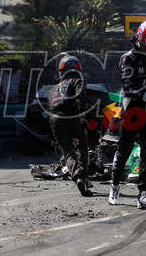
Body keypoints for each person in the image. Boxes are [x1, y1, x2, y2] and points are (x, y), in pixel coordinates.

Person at [109, 17, 146, 209]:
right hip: (131, 109)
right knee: (124, 149)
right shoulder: (128, 58)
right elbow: (127, 88)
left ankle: (143, 195)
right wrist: (144, 96)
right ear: (145, 35)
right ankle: (114, 187)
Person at [47, 55, 93, 197]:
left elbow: (49, 108)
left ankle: (77, 176)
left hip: (54, 119)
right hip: (71, 116)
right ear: (78, 68)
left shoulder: (53, 88)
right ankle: (83, 176)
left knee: (68, 152)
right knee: (83, 146)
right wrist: (83, 117)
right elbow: (80, 99)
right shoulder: (77, 81)